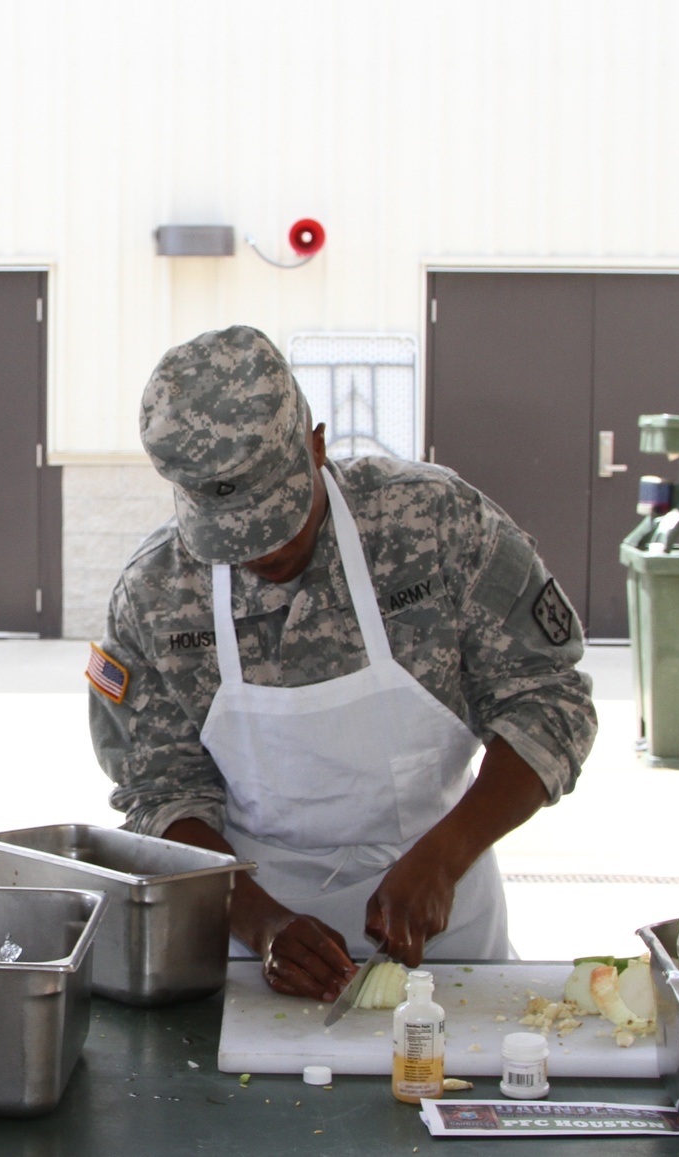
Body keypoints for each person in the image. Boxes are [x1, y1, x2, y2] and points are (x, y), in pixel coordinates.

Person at [88, 325, 597, 1005]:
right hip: (250, 942)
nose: (260, 554)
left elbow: (551, 702)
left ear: (317, 445)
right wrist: (263, 923)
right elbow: (158, 793)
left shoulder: (435, 526)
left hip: (450, 931)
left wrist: (445, 855)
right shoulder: (155, 597)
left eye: (277, 520)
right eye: (233, 539)